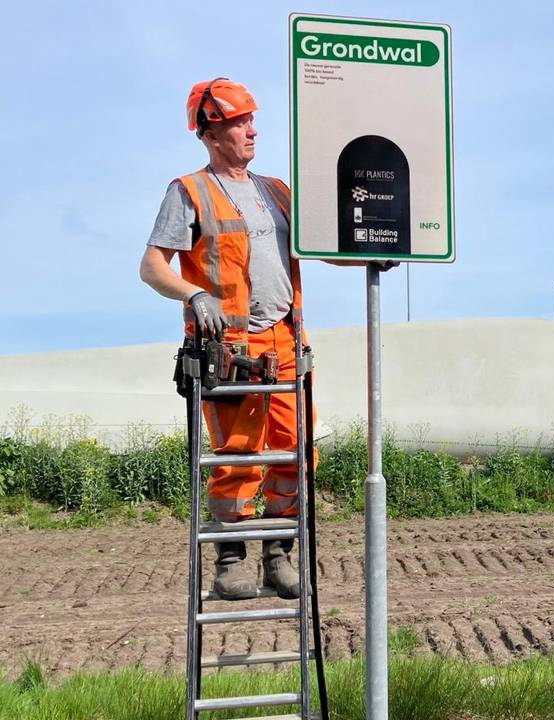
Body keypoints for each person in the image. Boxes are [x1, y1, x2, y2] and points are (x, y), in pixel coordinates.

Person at [139, 77, 390, 600]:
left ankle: (279, 556)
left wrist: (366, 255)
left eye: (252, 118)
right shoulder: (189, 191)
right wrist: (193, 295)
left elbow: (321, 249)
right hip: (230, 351)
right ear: (210, 133)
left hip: (285, 344)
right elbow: (152, 267)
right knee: (237, 454)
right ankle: (231, 563)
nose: (252, 129)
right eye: (239, 120)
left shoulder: (276, 191)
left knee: (295, 453)